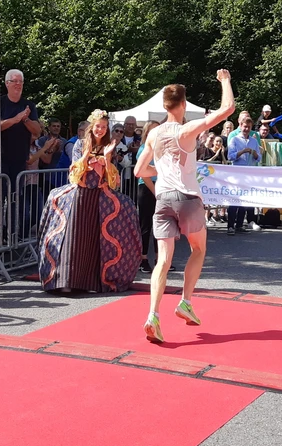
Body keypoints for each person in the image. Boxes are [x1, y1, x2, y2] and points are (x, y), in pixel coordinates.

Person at [135, 70, 234, 343]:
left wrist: (163, 169)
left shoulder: (154, 135)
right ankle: (185, 301)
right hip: (188, 198)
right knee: (198, 248)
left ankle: (153, 315)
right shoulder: (187, 129)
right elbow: (228, 109)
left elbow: (138, 170)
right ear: (183, 104)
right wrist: (224, 80)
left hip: (164, 198)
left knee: (163, 261)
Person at [38, 109, 140, 293]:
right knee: (75, 237)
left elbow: (113, 181)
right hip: (81, 194)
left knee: (99, 236)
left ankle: (92, 281)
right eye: (98, 127)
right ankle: (67, 281)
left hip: (100, 195)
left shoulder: (110, 145)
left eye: (104, 127)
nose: (100, 130)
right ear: (92, 127)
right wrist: (87, 157)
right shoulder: (79, 144)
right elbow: (74, 174)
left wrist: (107, 159)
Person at [0, 69, 42, 234]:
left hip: (19, 158)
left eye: (21, 81)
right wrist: (14, 120)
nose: (18, 84)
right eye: (14, 81)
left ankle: (12, 233)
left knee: (15, 197)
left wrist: (24, 119)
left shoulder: (29, 106)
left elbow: (37, 130)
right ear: (7, 83)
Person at [226, 115, 261, 235]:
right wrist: (243, 151)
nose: (246, 129)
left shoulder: (254, 141)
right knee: (234, 200)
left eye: (249, 127)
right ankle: (230, 226)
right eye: (245, 126)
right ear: (240, 126)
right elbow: (230, 156)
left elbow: (259, 158)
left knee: (244, 200)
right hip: (236, 174)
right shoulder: (234, 140)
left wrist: (255, 154)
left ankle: (239, 225)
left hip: (249, 175)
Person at [135, 121, 160, 273]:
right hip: (147, 188)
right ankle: (143, 259)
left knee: (161, 226)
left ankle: (160, 258)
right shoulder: (144, 149)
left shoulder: (161, 149)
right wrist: (155, 191)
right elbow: (144, 175)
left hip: (160, 187)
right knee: (146, 226)